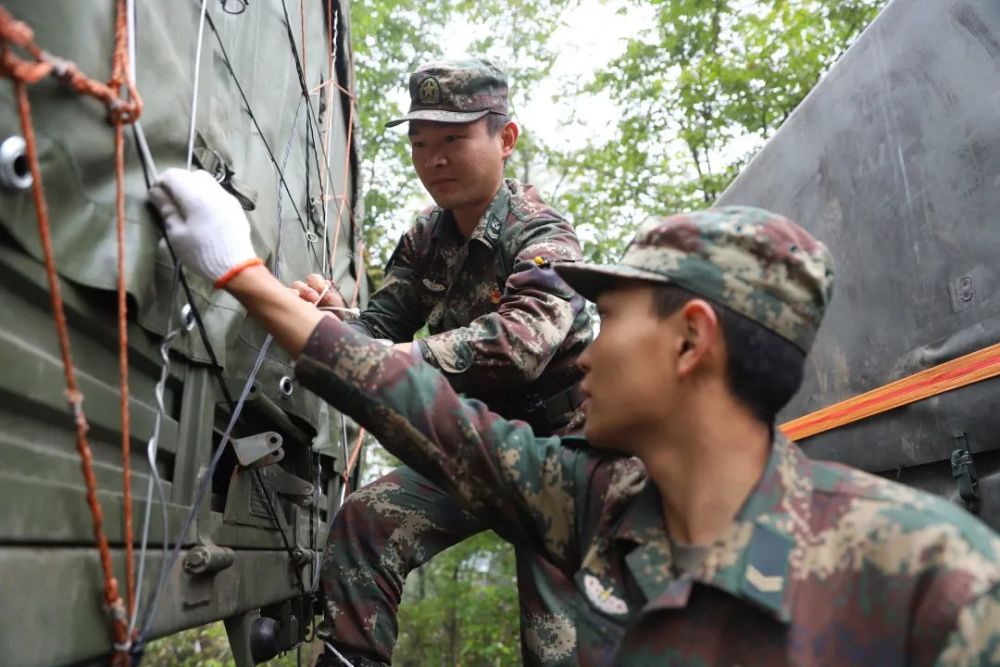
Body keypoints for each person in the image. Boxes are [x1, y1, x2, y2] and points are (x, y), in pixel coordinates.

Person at [149, 180, 1000, 665]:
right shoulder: (589, 498)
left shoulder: (931, 575)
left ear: (690, 341)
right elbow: (425, 412)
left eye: (609, 315)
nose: (583, 348)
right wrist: (242, 271)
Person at [271, 57, 595, 665]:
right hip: (475, 440)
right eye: (420, 144)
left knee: (558, 644)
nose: (434, 159)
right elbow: (374, 330)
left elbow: (523, 342)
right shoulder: (426, 237)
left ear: (505, 137)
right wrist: (334, 318)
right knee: (367, 523)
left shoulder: (544, 234)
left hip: (564, 454)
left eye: (453, 139)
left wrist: (397, 355)